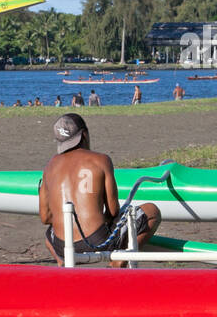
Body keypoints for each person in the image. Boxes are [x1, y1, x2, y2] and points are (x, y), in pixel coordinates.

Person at [38, 114, 161, 268]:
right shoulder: (100, 160)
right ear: (84, 135)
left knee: (49, 236)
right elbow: (112, 210)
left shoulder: (49, 167)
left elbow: (45, 218)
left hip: (61, 246)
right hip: (96, 241)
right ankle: (119, 260)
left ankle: (62, 261)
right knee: (151, 212)